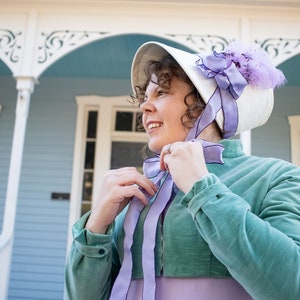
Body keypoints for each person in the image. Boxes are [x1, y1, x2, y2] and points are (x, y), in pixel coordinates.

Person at [65, 40, 300, 300]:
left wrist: (202, 189)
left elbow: (291, 287)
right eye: (144, 98)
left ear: (209, 104)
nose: (143, 107)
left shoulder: (274, 177)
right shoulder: (138, 196)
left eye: (161, 92)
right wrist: (97, 226)